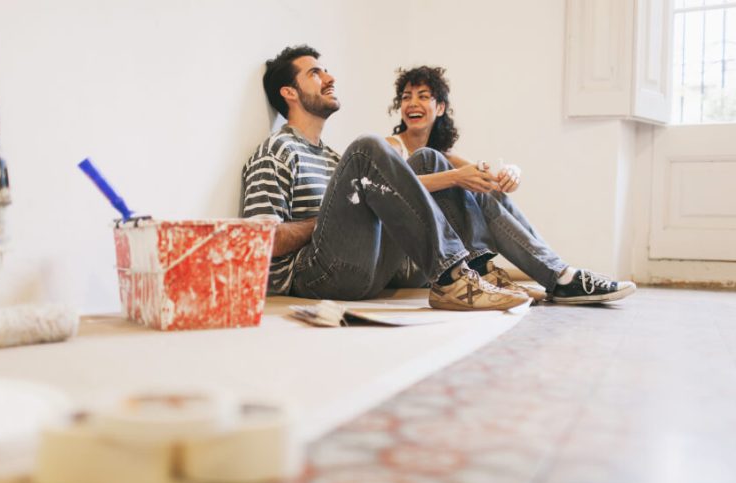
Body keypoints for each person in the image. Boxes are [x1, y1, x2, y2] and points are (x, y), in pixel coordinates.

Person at [241, 45, 530, 311]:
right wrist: (330, 221)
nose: (330, 78)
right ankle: (453, 278)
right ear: (289, 93)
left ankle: (471, 270)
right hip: (312, 277)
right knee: (367, 148)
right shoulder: (277, 151)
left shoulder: (331, 157)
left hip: (367, 271)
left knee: (427, 159)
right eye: (315, 73)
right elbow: (260, 241)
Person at [384, 65, 636, 303]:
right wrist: (456, 177)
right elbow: (392, 189)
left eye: (423, 96)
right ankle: (556, 276)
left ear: (439, 108)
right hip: (407, 261)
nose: (412, 103)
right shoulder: (394, 146)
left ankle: (558, 274)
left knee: (483, 190)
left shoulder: (446, 157)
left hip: (438, 257)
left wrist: (511, 173)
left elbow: (488, 183)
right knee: (429, 160)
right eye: (406, 97)